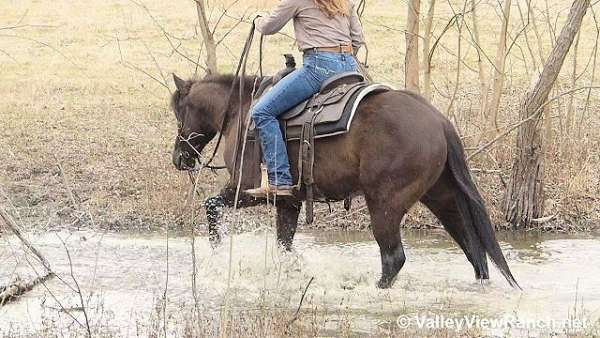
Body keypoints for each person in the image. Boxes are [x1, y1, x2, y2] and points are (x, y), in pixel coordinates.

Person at [245, 0, 365, 198]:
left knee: (262, 111)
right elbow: (358, 39)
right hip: (350, 67)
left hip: (318, 67)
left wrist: (257, 20)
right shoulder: (345, 1)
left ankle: (280, 180)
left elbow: (269, 27)